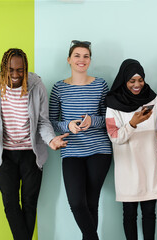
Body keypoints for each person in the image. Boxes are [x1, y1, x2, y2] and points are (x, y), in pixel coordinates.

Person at [0, 48, 69, 240]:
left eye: (20, 70)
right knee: (10, 204)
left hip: (32, 154)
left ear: (26, 68)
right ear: (3, 68)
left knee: (29, 203)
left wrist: (50, 140)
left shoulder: (36, 85)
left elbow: (43, 121)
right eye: (11, 70)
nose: (15, 75)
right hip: (6, 155)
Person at [49, 40, 112, 240]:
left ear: (90, 60)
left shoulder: (100, 84)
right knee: (77, 203)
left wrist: (92, 121)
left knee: (92, 203)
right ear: (69, 59)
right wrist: (68, 125)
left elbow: (109, 120)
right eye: (77, 55)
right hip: (71, 150)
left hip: (99, 150)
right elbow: (50, 121)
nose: (81, 60)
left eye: (85, 56)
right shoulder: (59, 88)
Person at [105, 59, 157, 240]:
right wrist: (133, 123)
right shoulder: (113, 103)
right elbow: (115, 137)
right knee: (129, 213)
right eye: (132, 81)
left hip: (150, 163)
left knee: (150, 213)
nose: (137, 85)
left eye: (140, 80)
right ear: (124, 81)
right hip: (127, 166)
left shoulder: (152, 98)